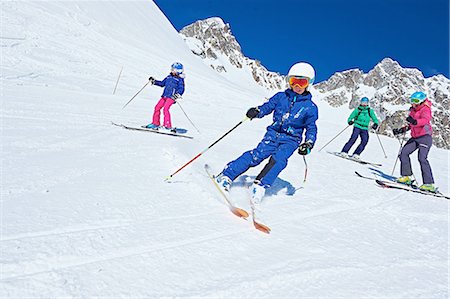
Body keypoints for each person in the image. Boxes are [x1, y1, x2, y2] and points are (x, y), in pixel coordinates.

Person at [215, 62, 318, 225]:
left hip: (291, 140)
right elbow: (267, 107)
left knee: (279, 160)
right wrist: (257, 111)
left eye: (302, 82)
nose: (297, 86)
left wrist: (309, 143)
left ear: (309, 83)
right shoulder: (280, 97)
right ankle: (226, 176)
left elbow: (311, 128)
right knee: (257, 155)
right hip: (273, 134)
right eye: (293, 81)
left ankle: (259, 186)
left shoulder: (310, 107)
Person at [392, 91, 437, 192]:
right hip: (415, 137)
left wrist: (415, 122)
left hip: (425, 137)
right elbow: (411, 124)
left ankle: (428, 184)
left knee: (422, 158)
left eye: (415, 101)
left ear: (421, 101)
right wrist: (402, 129)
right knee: (403, 153)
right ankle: (406, 176)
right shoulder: (412, 110)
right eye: (411, 100)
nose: (413, 103)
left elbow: (425, 120)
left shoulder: (425, 109)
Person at [146, 62, 185, 132]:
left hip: (172, 97)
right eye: (172, 69)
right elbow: (162, 83)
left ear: (178, 71)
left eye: (173, 69)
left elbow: (181, 88)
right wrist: (154, 81)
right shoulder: (168, 77)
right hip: (164, 96)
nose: (172, 70)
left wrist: (178, 94)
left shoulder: (180, 80)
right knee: (157, 107)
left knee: (165, 109)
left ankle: (167, 126)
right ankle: (155, 123)